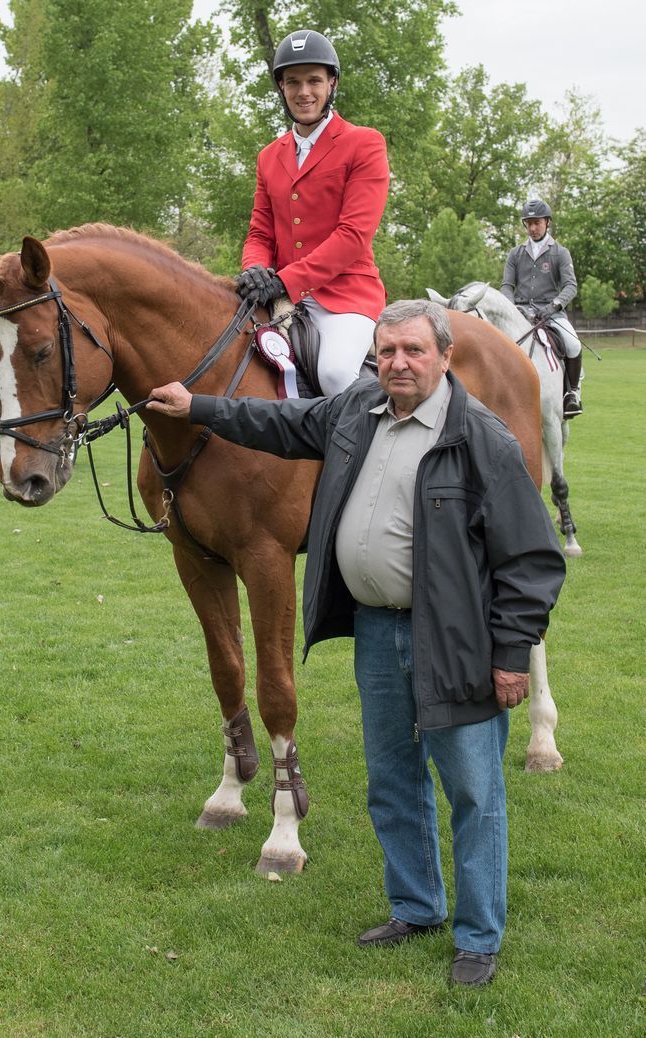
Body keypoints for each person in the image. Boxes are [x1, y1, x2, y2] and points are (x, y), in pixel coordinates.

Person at [147, 299, 566, 987]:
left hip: (455, 638)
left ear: (445, 357)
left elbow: (531, 560)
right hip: (376, 629)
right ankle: (416, 907)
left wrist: (512, 653)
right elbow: (281, 422)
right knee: (393, 782)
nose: (398, 363)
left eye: (414, 351)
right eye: (387, 351)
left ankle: (478, 937)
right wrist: (198, 406)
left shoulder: (481, 438)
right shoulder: (357, 411)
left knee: (472, 791)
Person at [235, 29, 389, 395]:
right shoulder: (269, 156)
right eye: (293, 82)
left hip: (345, 295)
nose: (304, 92)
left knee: (335, 374)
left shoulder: (364, 143)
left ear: (332, 83)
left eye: (314, 81)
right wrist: (254, 269)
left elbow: (353, 236)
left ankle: (376, 433)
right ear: (282, 87)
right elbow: (260, 234)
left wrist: (286, 281)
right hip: (279, 296)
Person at [501, 199, 584, 417]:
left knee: (573, 344)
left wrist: (553, 306)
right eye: (529, 223)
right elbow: (507, 286)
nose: (532, 228)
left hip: (551, 313)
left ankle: (572, 394)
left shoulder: (560, 253)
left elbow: (570, 286)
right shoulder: (515, 254)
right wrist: (511, 308)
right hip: (520, 312)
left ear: (547, 222)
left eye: (537, 223)